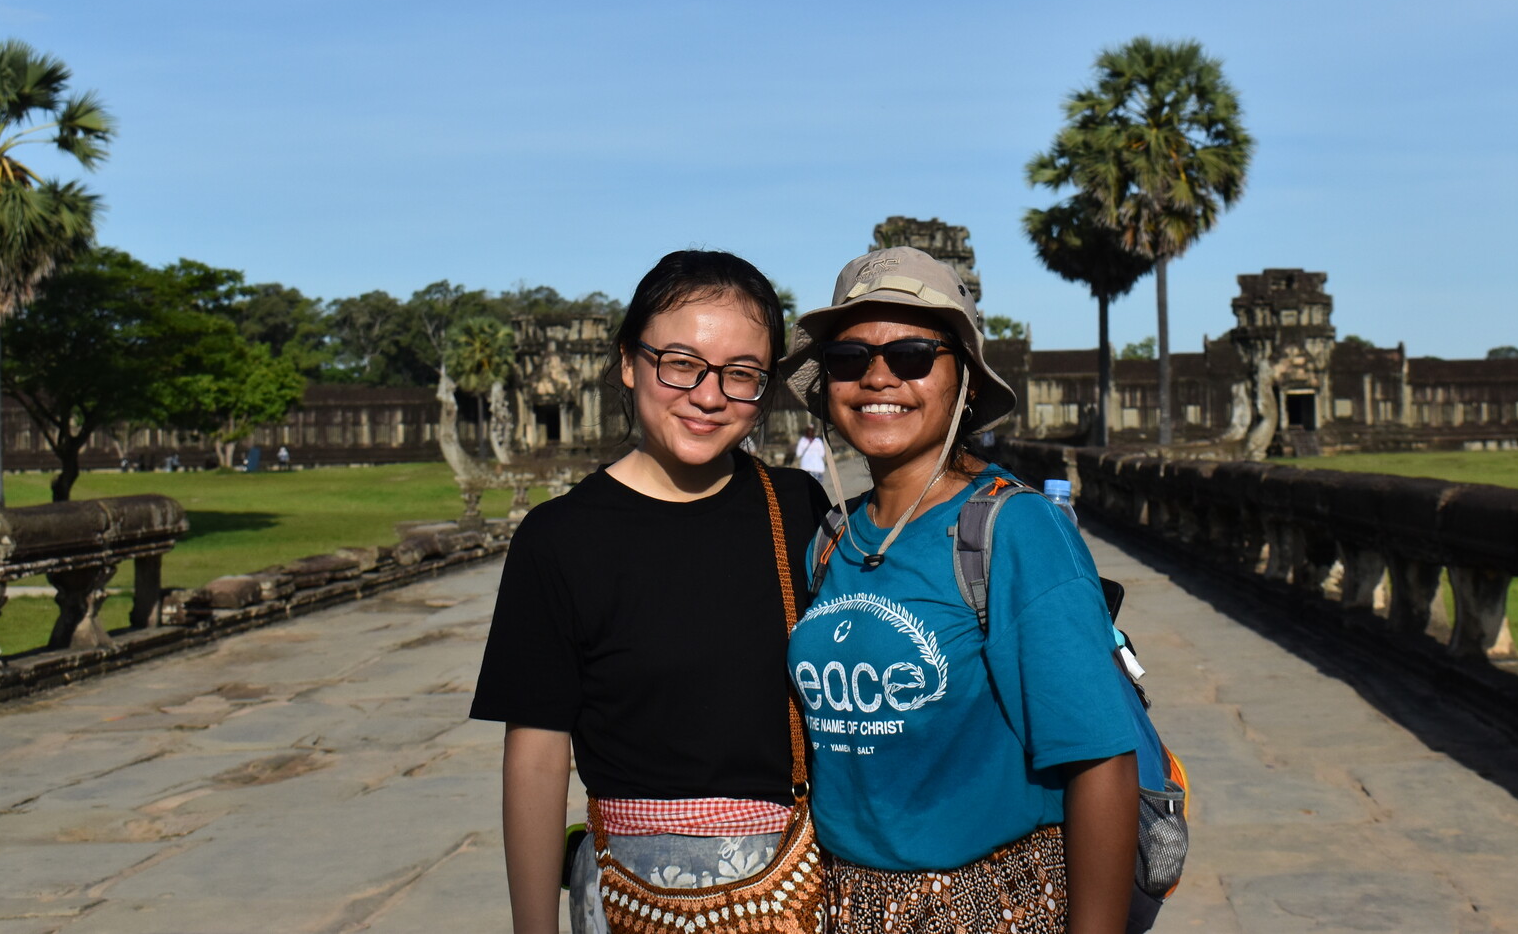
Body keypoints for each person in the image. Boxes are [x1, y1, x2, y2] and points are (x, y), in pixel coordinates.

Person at [778, 247, 1139, 934]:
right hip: (845, 904)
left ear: (965, 379)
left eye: (913, 353)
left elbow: (1101, 762)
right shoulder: (830, 539)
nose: (878, 376)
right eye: (850, 357)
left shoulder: (1014, 529)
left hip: (991, 904)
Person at [470, 250, 831, 934]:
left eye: (741, 374)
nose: (708, 394)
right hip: (629, 892)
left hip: (796, 888)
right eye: (681, 363)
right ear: (629, 362)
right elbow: (538, 752)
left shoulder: (797, 507)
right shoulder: (560, 539)